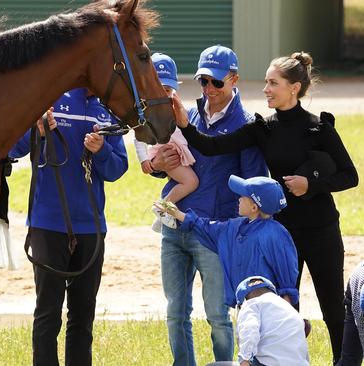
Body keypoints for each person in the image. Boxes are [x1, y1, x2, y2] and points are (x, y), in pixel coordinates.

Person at [173, 51, 359, 363]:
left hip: (322, 229)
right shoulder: (263, 128)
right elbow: (213, 147)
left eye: (273, 83)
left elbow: (349, 176)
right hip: (282, 232)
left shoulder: (319, 128)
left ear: (294, 88)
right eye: (265, 82)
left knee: (332, 309)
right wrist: (186, 127)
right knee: (284, 309)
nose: (266, 89)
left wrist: (310, 185)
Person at [149, 44, 268, 366]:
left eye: (216, 82)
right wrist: (158, 164)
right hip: (174, 228)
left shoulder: (247, 124)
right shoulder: (184, 116)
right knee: (176, 312)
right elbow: (164, 162)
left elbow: (255, 185)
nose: (209, 89)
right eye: (203, 81)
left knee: (217, 315)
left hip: (215, 234)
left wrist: (237, 233)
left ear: (234, 79)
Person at [9, 88, 128, 366]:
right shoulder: (47, 96)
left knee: (83, 315)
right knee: (48, 313)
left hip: (91, 228)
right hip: (48, 224)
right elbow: (13, 147)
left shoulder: (108, 109)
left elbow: (116, 169)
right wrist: (37, 131)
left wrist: (101, 151)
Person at [155, 175, 299, 308]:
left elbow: (287, 278)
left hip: (269, 308)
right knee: (246, 335)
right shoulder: (235, 227)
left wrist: (286, 314)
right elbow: (205, 227)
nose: (239, 199)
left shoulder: (275, 234)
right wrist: (176, 213)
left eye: (243, 196)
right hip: (244, 305)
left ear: (254, 207)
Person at [133, 53, 198, 231]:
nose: (164, 95)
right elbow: (139, 136)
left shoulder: (176, 106)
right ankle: (162, 208)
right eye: (159, 89)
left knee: (187, 181)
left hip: (176, 151)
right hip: (166, 152)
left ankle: (163, 212)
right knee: (191, 182)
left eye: (168, 90)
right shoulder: (147, 111)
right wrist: (144, 160)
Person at [235, 276, 310, 366]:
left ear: (243, 301)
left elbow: (250, 329)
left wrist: (244, 360)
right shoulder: (287, 307)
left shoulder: (250, 305)